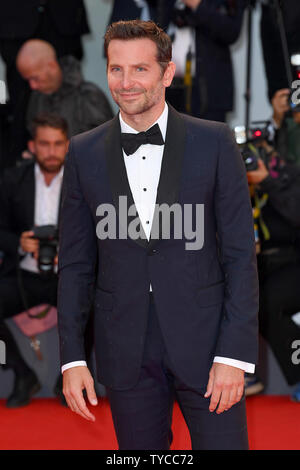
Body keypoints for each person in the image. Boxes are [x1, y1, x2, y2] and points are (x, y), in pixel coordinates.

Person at [58, 20, 259, 450]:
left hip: (208, 347)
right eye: (116, 69)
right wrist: (73, 358)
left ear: (167, 73)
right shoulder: (83, 151)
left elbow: (241, 254)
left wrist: (233, 354)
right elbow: (75, 265)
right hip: (125, 348)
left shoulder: (215, 141)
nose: (126, 83)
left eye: (140, 69)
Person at [0, 0, 90, 167]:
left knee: (71, 92)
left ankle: (76, 169)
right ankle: (23, 171)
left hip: (62, 18)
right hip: (15, 19)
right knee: (21, 103)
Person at [246, 140, 300, 401]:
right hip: (259, 266)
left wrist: (268, 182)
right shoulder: (238, 185)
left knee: (266, 302)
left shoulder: (289, 177)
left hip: (292, 262)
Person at [16, 39, 114, 140]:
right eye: (28, 80)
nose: (32, 86)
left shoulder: (88, 95)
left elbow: (108, 143)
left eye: (35, 78)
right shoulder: (36, 98)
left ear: (52, 66)